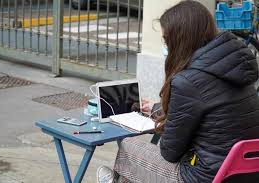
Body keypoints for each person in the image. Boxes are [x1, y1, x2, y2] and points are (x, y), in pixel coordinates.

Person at [97, 1, 259, 183]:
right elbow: (212, 108)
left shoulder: (188, 81)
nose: (165, 46)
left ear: (179, 41)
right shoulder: (235, 67)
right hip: (245, 174)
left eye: (166, 40)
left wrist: (168, 119)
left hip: (204, 177)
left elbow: (170, 152)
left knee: (128, 146)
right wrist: (158, 108)